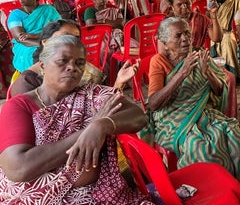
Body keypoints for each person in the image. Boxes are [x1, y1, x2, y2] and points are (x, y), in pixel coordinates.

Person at [0, 35, 151, 203]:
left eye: (79, 63)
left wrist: (102, 125)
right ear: (43, 66)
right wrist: (84, 134)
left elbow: (139, 116)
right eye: (62, 61)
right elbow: (18, 168)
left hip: (93, 194)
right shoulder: (19, 106)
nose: (72, 68)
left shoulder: (92, 94)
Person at [145, 17, 240, 177]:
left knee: (235, 137)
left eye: (187, 33)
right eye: (178, 36)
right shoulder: (159, 62)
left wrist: (207, 72)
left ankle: (230, 185)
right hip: (171, 119)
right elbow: (154, 103)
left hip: (203, 112)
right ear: (165, 43)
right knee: (200, 148)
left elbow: (220, 91)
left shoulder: (199, 54)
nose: (185, 39)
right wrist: (182, 73)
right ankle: (203, 191)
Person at [10, 19, 138, 98]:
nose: (71, 43)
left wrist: (119, 83)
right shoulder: (28, 83)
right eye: (65, 37)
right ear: (45, 42)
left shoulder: (84, 70)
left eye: (76, 38)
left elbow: (100, 104)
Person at [8, 0, 61, 72]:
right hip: (27, 45)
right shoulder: (15, 15)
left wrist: (43, 40)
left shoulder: (48, 10)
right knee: (35, 54)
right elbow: (21, 39)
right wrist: (42, 44)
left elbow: (59, 28)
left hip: (50, 40)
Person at [215, 0, 240, 79]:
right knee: (227, 39)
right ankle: (231, 73)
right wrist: (222, 30)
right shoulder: (216, 1)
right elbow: (211, 20)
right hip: (219, 32)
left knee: (232, 37)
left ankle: (236, 72)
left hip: (237, 29)